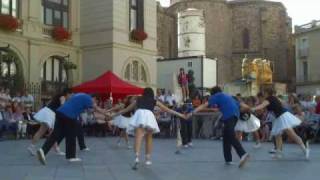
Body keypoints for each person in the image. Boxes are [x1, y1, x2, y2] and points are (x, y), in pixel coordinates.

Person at [110, 87, 185, 170]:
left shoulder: (138, 100)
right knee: (149, 137)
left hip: (140, 115)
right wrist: (181, 115)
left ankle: (137, 157)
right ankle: (147, 159)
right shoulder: (154, 101)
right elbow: (167, 110)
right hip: (149, 116)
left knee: (138, 137)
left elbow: (125, 110)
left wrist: (112, 115)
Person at [186, 86, 250, 168]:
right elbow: (242, 105)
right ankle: (228, 160)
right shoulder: (228, 96)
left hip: (229, 116)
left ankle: (242, 154)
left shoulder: (216, 96)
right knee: (226, 136)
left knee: (230, 135)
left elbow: (204, 105)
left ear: (213, 94)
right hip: (235, 116)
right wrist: (250, 108)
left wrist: (191, 113)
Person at [36, 93, 104, 165]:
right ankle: (71, 156)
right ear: (95, 98)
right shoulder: (89, 99)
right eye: (96, 101)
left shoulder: (80, 95)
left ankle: (42, 150)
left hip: (60, 112)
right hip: (69, 115)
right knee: (71, 135)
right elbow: (96, 108)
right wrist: (107, 114)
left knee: (55, 134)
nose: (95, 103)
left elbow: (89, 109)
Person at [251, 88, 309, 160]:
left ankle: (305, 149)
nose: (263, 94)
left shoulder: (269, 99)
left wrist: (253, 109)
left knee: (291, 134)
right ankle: (278, 153)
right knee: (278, 135)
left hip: (282, 116)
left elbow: (262, 106)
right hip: (279, 117)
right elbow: (281, 104)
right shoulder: (273, 98)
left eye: (264, 92)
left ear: (267, 93)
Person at [27, 88, 72, 156]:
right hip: (50, 114)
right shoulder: (63, 97)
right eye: (71, 95)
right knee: (52, 133)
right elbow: (63, 107)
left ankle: (32, 146)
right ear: (67, 94)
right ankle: (56, 149)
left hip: (47, 112)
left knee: (42, 131)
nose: (71, 96)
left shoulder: (58, 96)